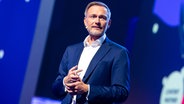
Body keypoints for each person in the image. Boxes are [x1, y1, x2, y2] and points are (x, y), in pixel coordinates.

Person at [52, 1, 130, 104]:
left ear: (109, 23)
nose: (97, 21)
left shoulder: (119, 53)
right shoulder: (71, 50)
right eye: (93, 16)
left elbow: (122, 92)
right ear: (85, 21)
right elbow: (55, 89)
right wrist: (65, 82)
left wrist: (87, 89)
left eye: (102, 17)